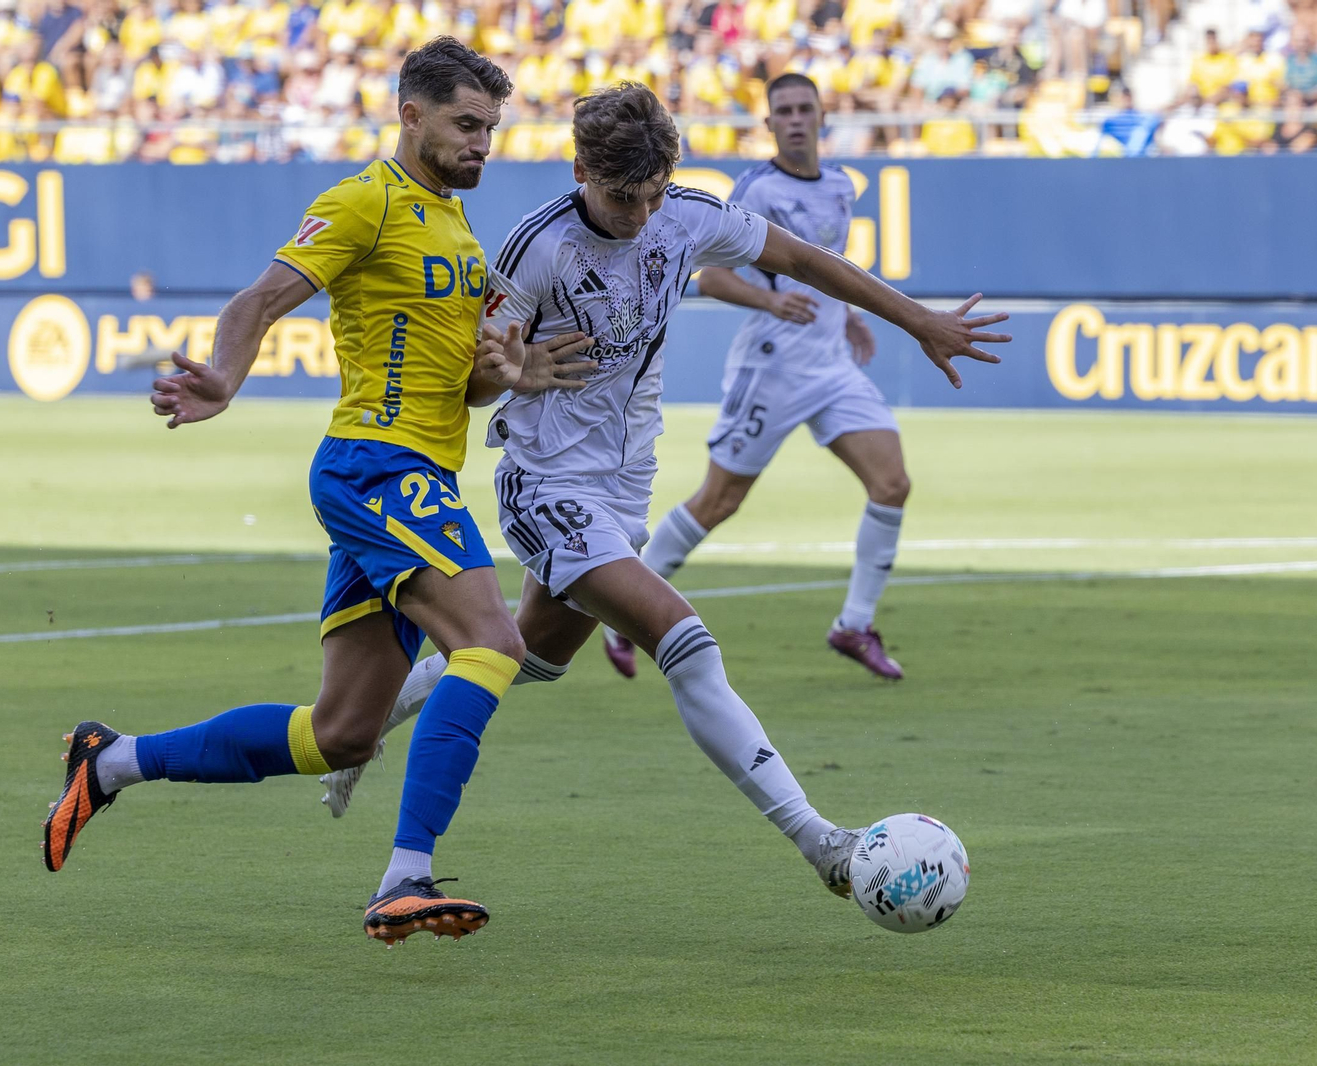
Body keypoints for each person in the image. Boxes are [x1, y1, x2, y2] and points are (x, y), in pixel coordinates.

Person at [316, 80, 1009, 905]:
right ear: (581, 172)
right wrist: (510, 370)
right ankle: (822, 843)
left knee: (528, 658)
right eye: (623, 198)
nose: (642, 216)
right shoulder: (536, 248)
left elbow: (803, 260)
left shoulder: (686, 215)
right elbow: (472, 382)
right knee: (687, 643)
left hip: (623, 488)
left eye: (653, 195)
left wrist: (918, 318)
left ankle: (367, 724)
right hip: (545, 484)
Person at [40, 38, 588, 948]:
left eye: (491, 127)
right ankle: (405, 876)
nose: (482, 142)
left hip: (408, 476)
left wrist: (507, 372)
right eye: (466, 123)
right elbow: (258, 301)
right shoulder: (364, 200)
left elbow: (464, 386)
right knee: (493, 645)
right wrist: (223, 378)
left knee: (341, 734)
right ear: (411, 115)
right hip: (378, 469)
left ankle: (110, 762)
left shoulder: (456, 228)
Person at [602, 72, 914, 681]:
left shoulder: (841, 184)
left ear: (822, 116)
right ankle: (623, 611)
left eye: (804, 109)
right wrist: (772, 301)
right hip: (772, 366)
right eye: (784, 112)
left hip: (831, 364)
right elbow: (713, 278)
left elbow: (825, 267)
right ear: (768, 124)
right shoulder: (757, 189)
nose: (795, 120)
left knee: (892, 483)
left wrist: (848, 314)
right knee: (720, 500)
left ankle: (854, 624)